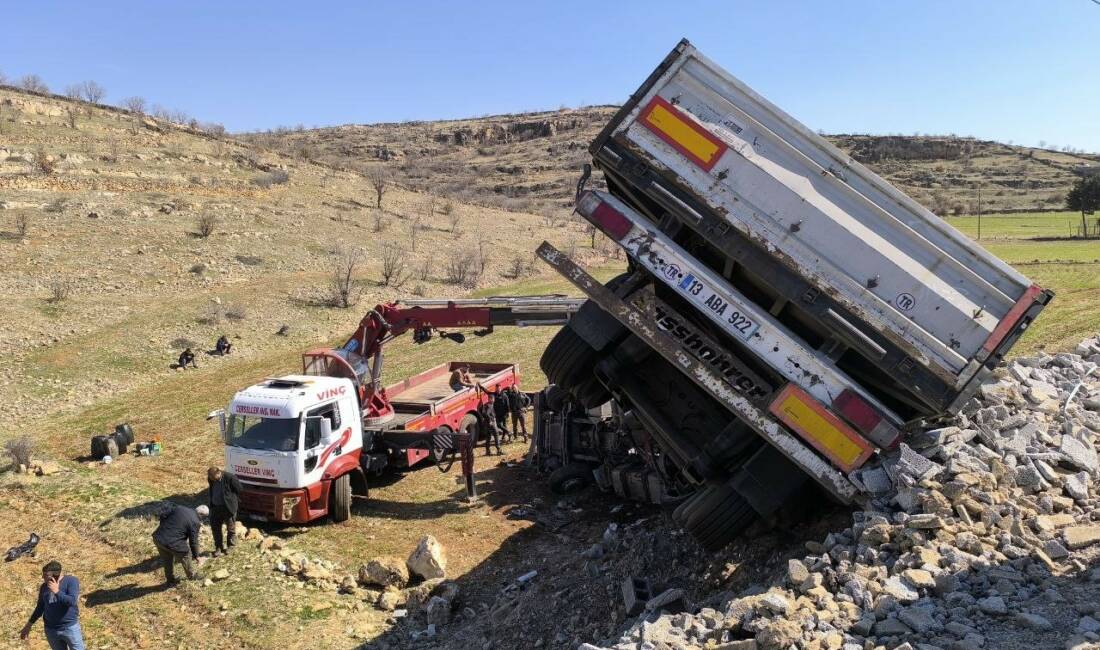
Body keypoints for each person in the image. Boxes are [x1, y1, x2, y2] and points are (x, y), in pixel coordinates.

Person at [19, 560, 85, 650]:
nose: (42, 577)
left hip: (69, 628)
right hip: (51, 630)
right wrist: (28, 625)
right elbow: (40, 607)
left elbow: (72, 601)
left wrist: (57, 591)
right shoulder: (44, 587)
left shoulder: (71, 581)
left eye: (45, 575)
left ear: (55, 575)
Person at [152, 503, 204, 584]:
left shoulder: (180, 507)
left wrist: (164, 527)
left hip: (158, 537)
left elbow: (163, 515)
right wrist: (197, 556)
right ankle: (192, 576)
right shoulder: (196, 521)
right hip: (171, 541)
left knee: (167, 559)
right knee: (186, 554)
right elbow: (193, 541)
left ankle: (170, 579)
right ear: (201, 515)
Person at [207, 466, 242, 555]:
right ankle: (219, 547)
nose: (211, 479)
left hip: (228, 507)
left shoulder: (230, 477)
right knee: (215, 528)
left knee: (230, 528)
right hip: (215, 507)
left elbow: (239, 489)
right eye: (210, 477)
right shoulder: (211, 478)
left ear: (219, 473)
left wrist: (231, 499)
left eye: (213, 477)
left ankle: (231, 546)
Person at [478, 392, 503, 456]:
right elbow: (486, 414)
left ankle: (488, 451)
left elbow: (484, 413)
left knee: (488, 437)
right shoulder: (489, 405)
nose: (493, 400)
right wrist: (490, 421)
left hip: (487, 424)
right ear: (490, 399)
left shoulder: (487, 405)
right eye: (492, 399)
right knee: (496, 435)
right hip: (490, 423)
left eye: (493, 399)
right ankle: (499, 450)